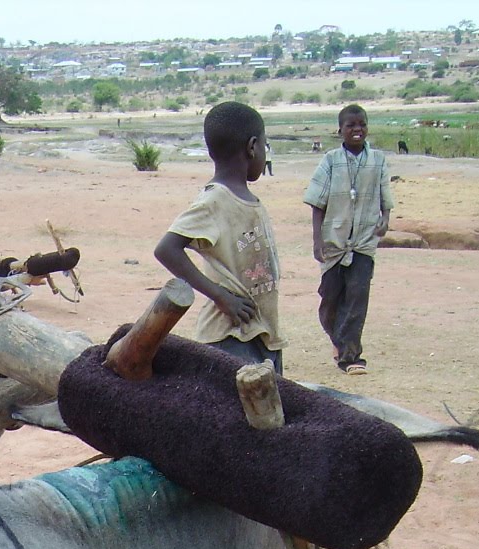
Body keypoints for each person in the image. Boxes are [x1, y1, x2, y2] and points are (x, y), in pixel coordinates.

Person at [153, 102, 284, 373]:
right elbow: (167, 249)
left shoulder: (247, 199)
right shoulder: (214, 201)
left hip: (262, 332)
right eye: (265, 145)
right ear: (252, 146)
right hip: (229, 335)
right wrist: (220, 296)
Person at [303, 104, 393, 376]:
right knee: (329, 299)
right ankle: (338, 340)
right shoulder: (330, 161)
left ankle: (351, 356)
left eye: (362, 124)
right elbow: (317, 203)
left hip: (364, 241)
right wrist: (317, 240)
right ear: (340, 130)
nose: (357, 129)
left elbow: (385, 196)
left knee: (357, 296)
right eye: (351, 125)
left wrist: (385, 218)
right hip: (335, 242)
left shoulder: (378, 160)